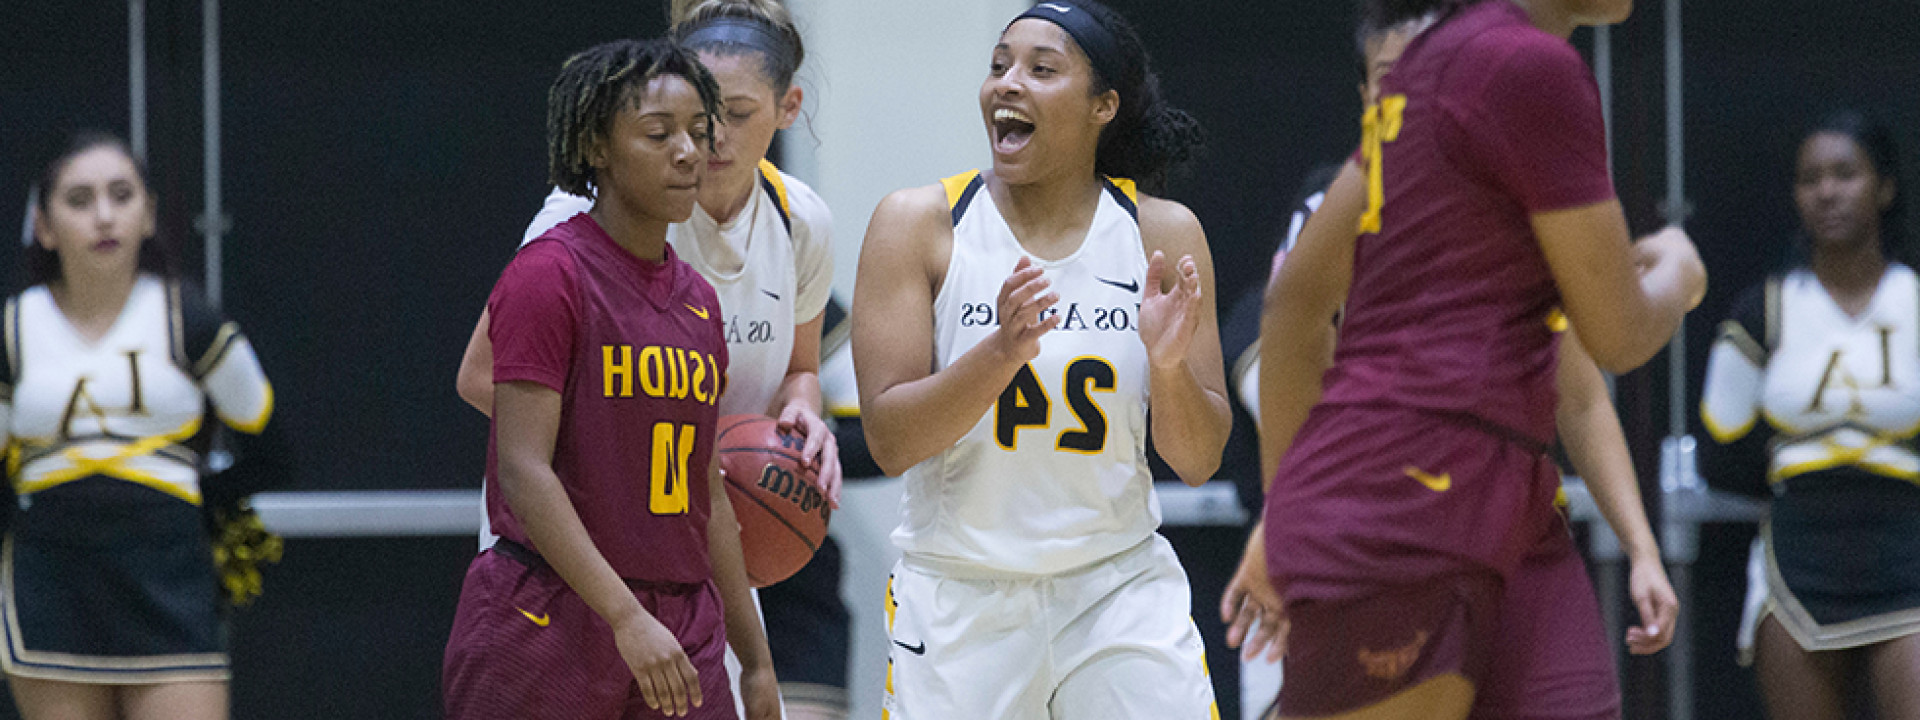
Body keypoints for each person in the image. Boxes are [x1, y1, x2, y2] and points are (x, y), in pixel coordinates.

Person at [1223, 0, 1709, 716]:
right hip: (1402, 495)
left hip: (1511, 500)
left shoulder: (1436, 70)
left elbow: (1292, 306)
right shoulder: (1523, 66)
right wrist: (1679, 272)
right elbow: (1619, 333)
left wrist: (1288, 509)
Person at [455, 3, 847, 716]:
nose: (708, 142)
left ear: (787, 108)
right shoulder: (570, 241)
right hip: (561, 571)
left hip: (695, 561)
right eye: (686, 120)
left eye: (727, 116)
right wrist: (646, 465)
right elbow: (485, 382)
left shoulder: (791, 228)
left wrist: (799, 416)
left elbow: (797, 370)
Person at [852, 2, 1227, 718]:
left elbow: (1199, 459)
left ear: (1103, 106)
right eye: (998, 66)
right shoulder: (919, 224)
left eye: (1041, 69)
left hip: (1115, 587)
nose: (1007, 84)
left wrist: (1170, 364)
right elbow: (890, 441)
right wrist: (1000, 353)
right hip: (963, 593)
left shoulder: (1160, 231)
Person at [1, 131, 283, 720]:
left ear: (149, 213)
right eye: (79, 200)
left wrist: (196, 505)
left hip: (170, 584)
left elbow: (273, 453)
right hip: (49, 585)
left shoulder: (192, 319)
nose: (103, 215)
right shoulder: (15, 329)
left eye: (121, 194)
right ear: (44, 225)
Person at [1699, 110, 1920, 720]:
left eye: (1846, 174)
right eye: (1810, 178)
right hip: (1796, 558)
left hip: (1910, 548)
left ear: (1885, 187)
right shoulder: (1761, 310)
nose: (1827, 192)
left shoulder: (1916, 302)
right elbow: (1720, 449)